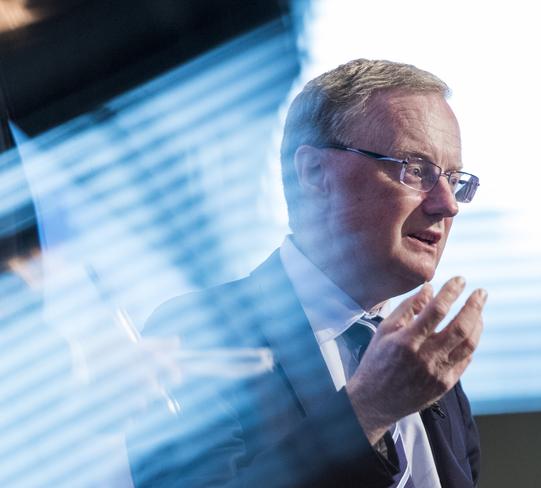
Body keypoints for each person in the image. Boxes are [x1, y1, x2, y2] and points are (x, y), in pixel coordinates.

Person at [128, 58, 486, 488]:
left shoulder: (426, 367)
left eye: (455, 180)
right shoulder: (201, 332)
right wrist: (368, 409)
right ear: (314, 174)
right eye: (417, 170)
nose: (447, 205)